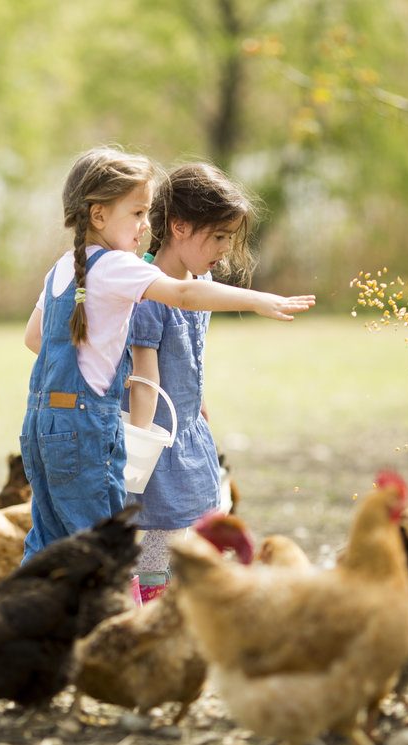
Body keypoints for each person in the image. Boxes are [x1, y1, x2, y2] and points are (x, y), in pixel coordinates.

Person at [19, 146, 315, 565]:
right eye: (138, 213)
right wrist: (259, 300)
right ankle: (126, 620)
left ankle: (20, 615)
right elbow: (184, 293)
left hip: (41, 426)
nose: (146, 223)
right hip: (86, 431)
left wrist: (97, 365)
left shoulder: (64, 266)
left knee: (47, 542)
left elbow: (35, 339)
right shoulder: (117, 266)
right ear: (99, 216)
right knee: (109, 553)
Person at [124, 163, 256, 602]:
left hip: (188, 430)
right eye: (217, 237)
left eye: (228, 238)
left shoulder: (202, 281)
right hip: (157, 442)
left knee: (194, 533)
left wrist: (196, 399)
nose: (224, 249)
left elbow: (190, 353)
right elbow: (144, 381)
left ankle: (185, 614)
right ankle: (151, 618)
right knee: (156, 540)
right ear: (179, 227)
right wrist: (136, 456)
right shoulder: (149, 296)